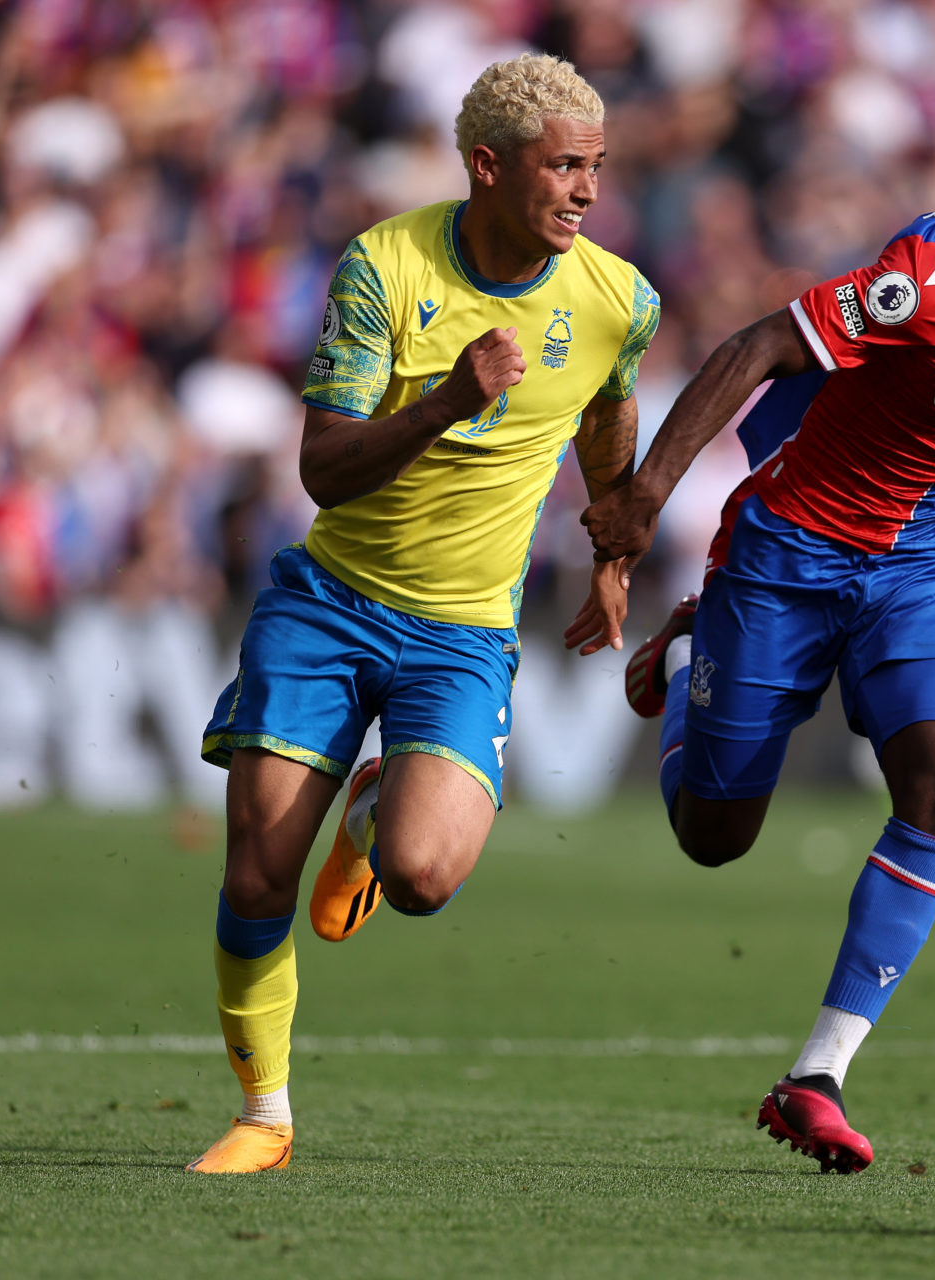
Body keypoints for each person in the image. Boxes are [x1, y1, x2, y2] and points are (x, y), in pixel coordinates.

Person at [583, 135, 935, 1173]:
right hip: (792, 549)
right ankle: (686, 657)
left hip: (925, 572)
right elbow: (756, 347)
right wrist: (644, 497)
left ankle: (818, 1074)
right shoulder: (925, 280)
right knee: (714, 836)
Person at [185, 53, 659, 1174]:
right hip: (330, 605)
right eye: (565, 167)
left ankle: (371, 813)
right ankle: (265, 1116)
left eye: (597, 166)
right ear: (489, 168)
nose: (587, 190)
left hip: (464, 632)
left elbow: (609, 410)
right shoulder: (382, 266)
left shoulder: (617, 297)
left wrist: (610, 550)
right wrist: (451, 397)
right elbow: (324, 470)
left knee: (423, 876)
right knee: (256, 872)